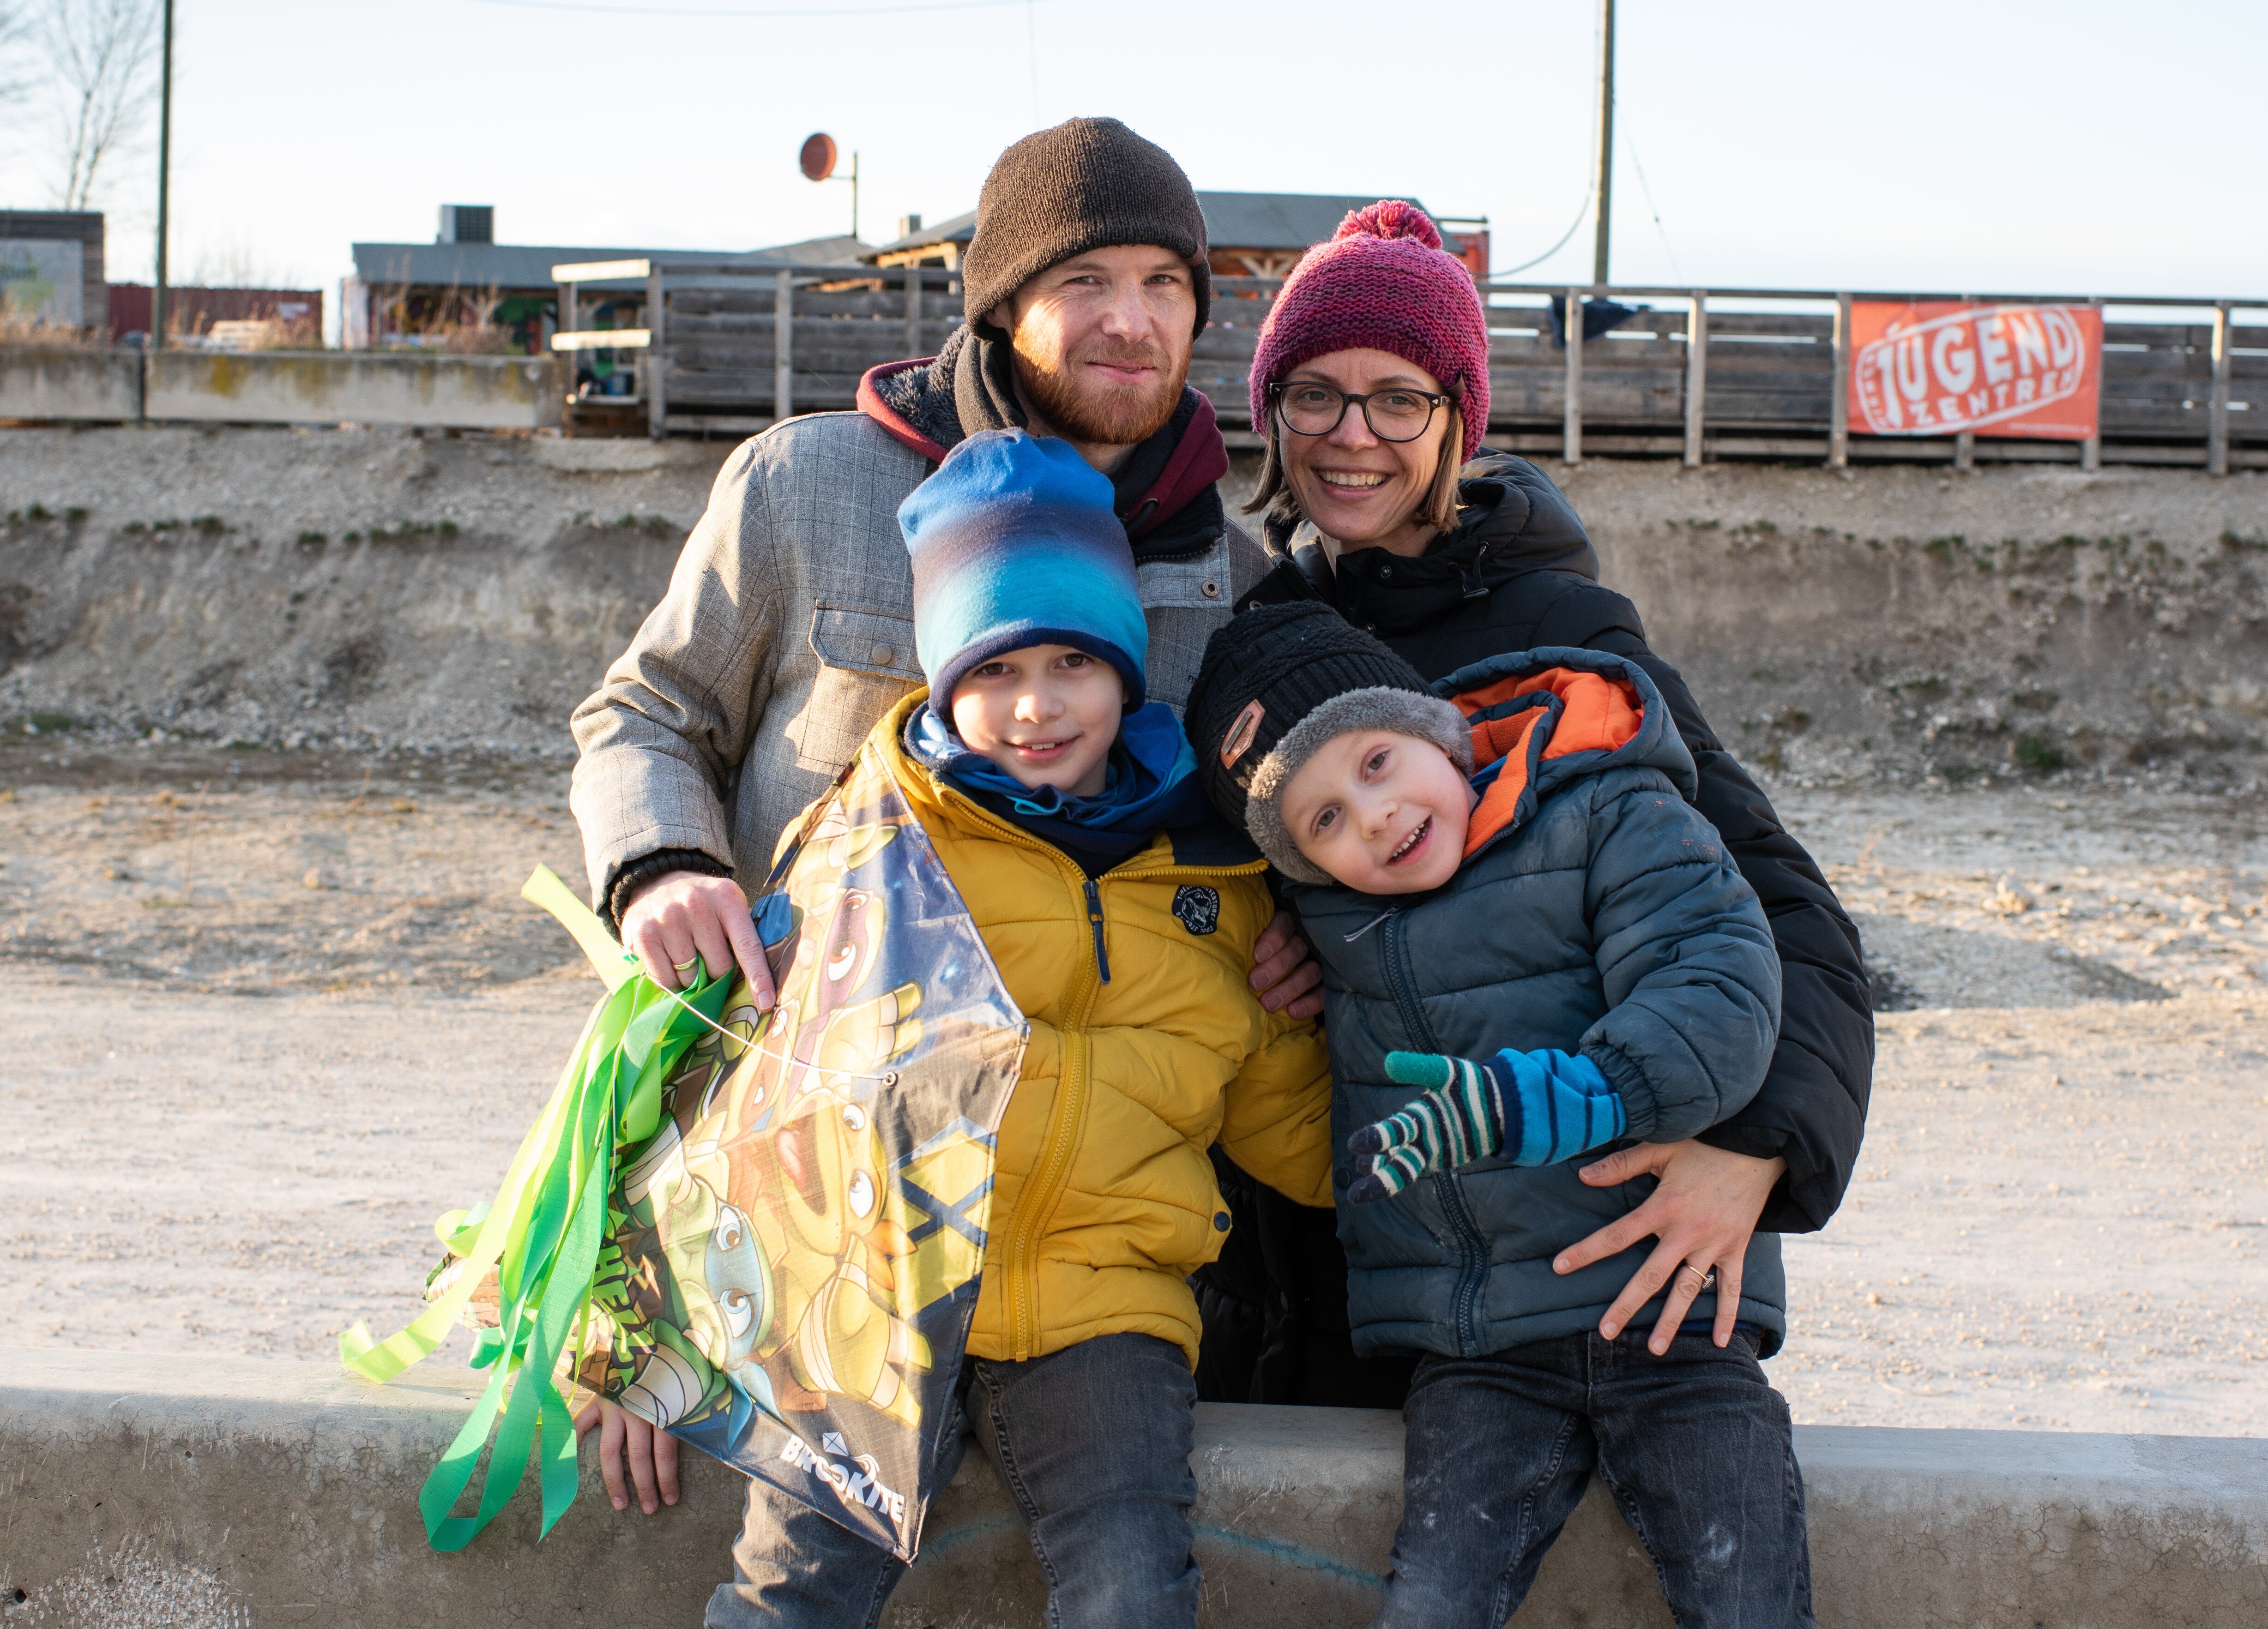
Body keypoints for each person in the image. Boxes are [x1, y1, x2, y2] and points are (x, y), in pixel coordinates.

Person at [568, 118, 1325, 1507]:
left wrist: (1303, 933)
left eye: (1165, 286)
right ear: (1001, 305)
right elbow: (646, 713)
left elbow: (1282, 844)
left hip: (1086, 1247)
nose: (1132, 320)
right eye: (1086, 282)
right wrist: (662, 864)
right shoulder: (808, 486)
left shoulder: (1238, 581)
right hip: (801, 1207)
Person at [581, 428, 1334, 1628]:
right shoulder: (870, 846)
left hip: (1105, 1306)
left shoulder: (1210, 876)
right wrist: (633, 1323)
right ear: (940, 680)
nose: (1036, 705)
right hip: (876, 1295)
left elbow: (1286, 1115)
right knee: (794, 1593)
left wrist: (1437, 1141)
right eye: (994, 670)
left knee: (1134, 1588)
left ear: (1126, 668)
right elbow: (734, 1095)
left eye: (1073, 662)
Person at [1199, 201, 1873, 1403]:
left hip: (1556, 1276)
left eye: (1397, 399)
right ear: (1269, 412)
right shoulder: (1262, 640)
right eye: (1314, 394)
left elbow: (1778, 905)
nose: (1352, 434)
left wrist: (1758, 1147)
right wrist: (1281, 935)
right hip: (1343, 1260)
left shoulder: (1561, 630)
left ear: (1456, 418)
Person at [1184, 602, 1807, 1628]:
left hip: (1672, 1316)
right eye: (1323, 820)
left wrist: (1569, 1096)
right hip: (1478, 1346)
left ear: (1439, 730)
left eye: (1377, 763)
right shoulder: (1332, 923)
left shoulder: (1605, 810)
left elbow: (1719, 989)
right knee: (1432, 1602)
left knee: (1745, 1596)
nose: (1372, 817)